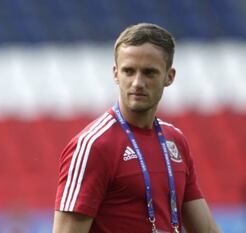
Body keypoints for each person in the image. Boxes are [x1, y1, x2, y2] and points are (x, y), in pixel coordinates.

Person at [53, 23, 221, 233]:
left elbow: (207, 230)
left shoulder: (175, 140)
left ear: (169, 76)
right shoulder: (94, 145)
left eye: (149, 73)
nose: (137, 82)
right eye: (129, 71)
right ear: (116, 74)